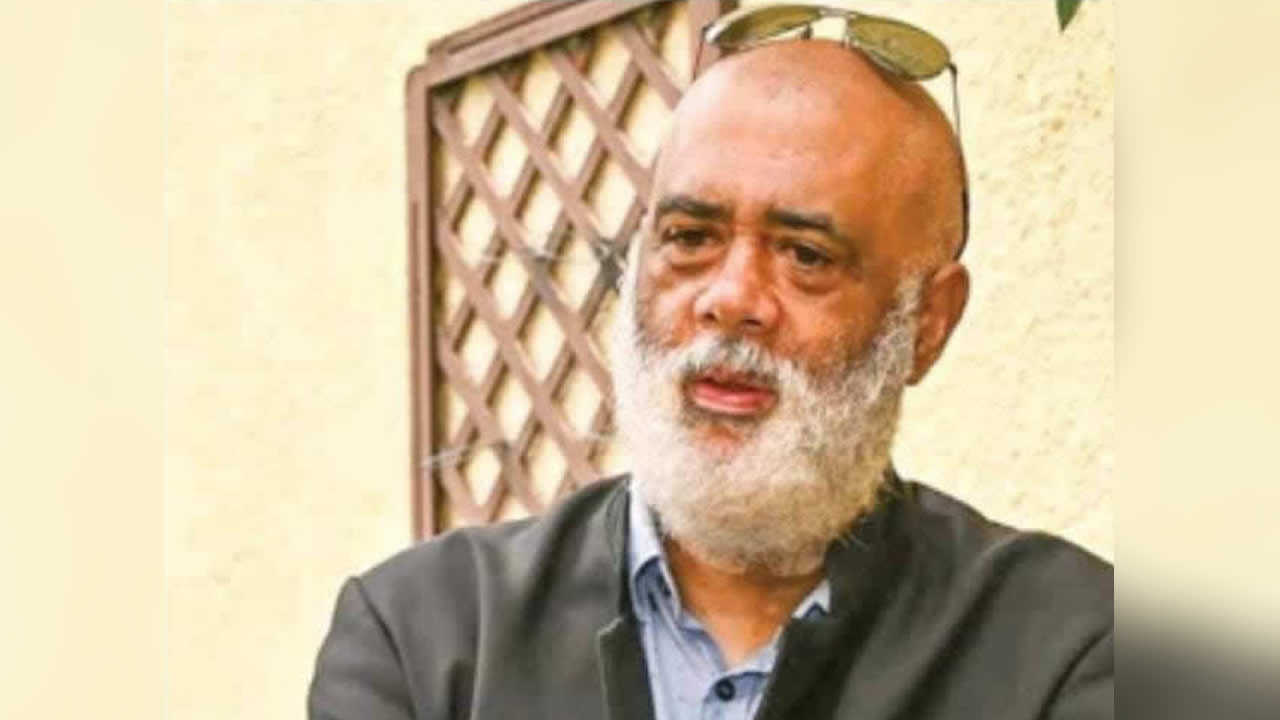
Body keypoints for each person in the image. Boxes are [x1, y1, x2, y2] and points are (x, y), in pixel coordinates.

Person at [308, 30, 1112, 720]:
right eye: (691, 238)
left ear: (927, 324)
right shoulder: (423, 637)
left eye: (806, 256)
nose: (730, 299)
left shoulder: (1065, 643)